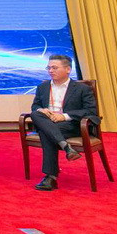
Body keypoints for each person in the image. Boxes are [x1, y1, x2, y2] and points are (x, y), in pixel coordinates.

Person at [30, 54, 95, 191]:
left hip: (70, 125)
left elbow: (90, 111)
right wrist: (42, 110)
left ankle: (50, 177)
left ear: (68, 69)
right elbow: (35, 106)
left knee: (45, 132)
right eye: (48, 68)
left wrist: (64, 116)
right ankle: (66, 147)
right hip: (47, 121)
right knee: (36, 114)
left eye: (54, 68)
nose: (50, 71)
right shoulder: (42, 87)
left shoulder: (82, 88)